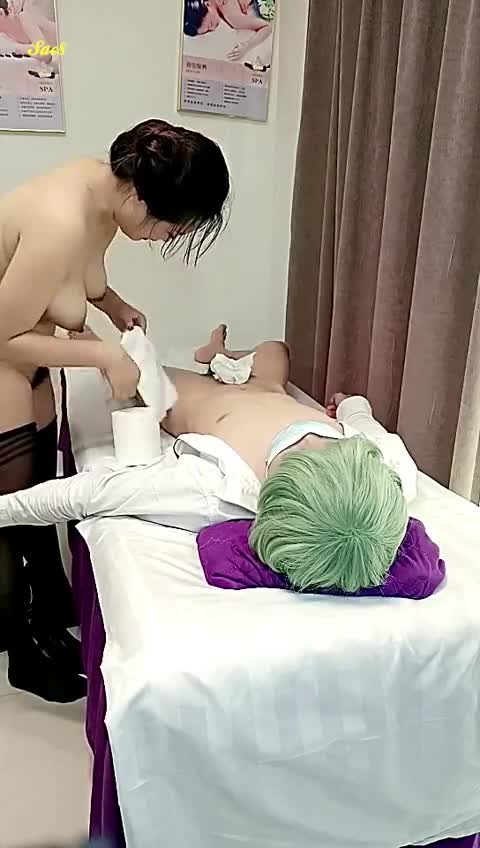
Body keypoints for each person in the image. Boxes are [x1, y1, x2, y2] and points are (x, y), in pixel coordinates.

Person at [0, 122, 230, 702]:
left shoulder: (100, 189)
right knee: (9, 512)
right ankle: (22, 652)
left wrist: (115, 305)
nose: (166, 237)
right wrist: (102, 355)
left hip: (27, 355)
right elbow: (3, 334)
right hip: (4, 354)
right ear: (140, 198)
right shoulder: (58, 219)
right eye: (170, 226)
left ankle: (46, 624)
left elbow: (78, 276)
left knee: (38, 493)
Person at [0, 326, 417, 609]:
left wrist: (3, 509)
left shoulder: (219, 488)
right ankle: (219, 354)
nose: (309, 441)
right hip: (268, 389)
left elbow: (90, 493)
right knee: (276, 350)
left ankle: (107, 348)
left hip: (205, 402)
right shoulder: (388, 468)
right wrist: (350, 404)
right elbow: (367, 424)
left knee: (140, 373)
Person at [183, 0, 272, 63]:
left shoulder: (233, 18)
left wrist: (247, 46)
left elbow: (267, 27)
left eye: (210, 24)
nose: (213, 29)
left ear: (207, 4)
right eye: (208, 31)